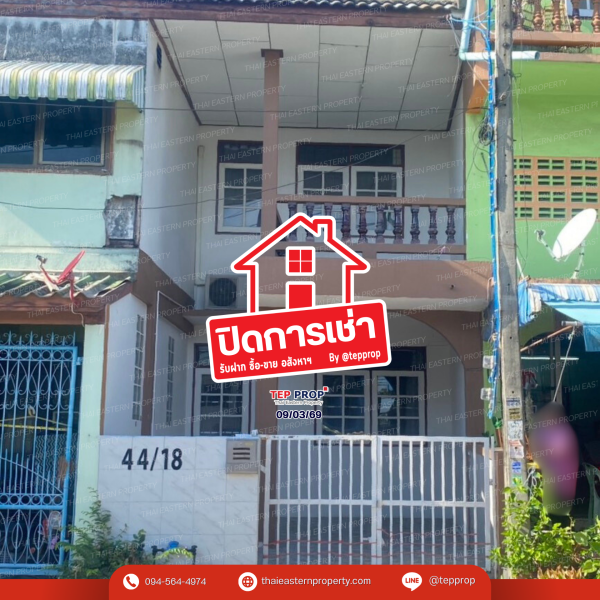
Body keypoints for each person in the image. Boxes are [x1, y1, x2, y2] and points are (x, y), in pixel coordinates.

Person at [530, 402, 580, 517]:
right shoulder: (550, 431)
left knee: (559, 505)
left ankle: (559, 521)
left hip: (562, 475)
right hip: (553, 475)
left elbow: (560, 451)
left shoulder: (562, 431)